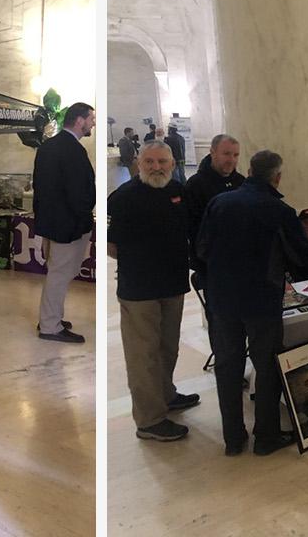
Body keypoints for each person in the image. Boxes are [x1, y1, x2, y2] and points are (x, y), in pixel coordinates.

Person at [197, 150, 308, 456]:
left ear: (248, 171)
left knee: (228, 367)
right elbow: (300, 255)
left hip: (223, 300)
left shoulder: (219, 202)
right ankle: (266, 437)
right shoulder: (280, 210)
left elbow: (202, 249)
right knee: (266, 366)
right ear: (277, 177)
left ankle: (233, 439)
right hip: (262, 300)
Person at [108, 142, 197, 442]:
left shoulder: (179, 193)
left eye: (162, 162)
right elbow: (111, 246)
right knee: (143, 354)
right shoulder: (123, 198)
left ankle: (165, 394)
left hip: (172, 284)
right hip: (139, 289)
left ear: (172, 164)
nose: (156, 167)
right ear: (138, 163)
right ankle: (149, 419)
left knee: (167, 346)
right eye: (150, 162)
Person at [31, 102, 96, 344]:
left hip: (52, 221)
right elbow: (78, 191)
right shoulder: (72, 150)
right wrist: (84, 218)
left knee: (57, 272)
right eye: (90, 119)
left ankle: (51, 317)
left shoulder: (48, 146)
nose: (93, 123)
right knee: (60, 274)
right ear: (79, 120)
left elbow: (41, 187)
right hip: (69, 224)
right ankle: (50, 325)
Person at [183, 134, 243, 288]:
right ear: (212, 152)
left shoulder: (241, 182)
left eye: (235, 155)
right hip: (210, 264)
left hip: (240, 261)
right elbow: (192, 228)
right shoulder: (195, 185)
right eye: (226, 154)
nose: (231, 159)